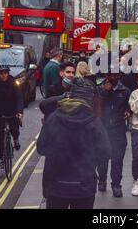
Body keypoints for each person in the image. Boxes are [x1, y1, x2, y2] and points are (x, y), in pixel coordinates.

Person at [36, 78, 111, 209]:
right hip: (84, 187)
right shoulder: (94, 122)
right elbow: (105, 152)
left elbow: (41, 147)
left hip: (56, 186)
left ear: (72, 96)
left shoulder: (54, 118)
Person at [97, 73, 131, 197]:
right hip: (103, 129)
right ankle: (102, 180)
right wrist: (105, 92)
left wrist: (128, 111)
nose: (113, 77)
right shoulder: (100, 89)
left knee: (117, 159)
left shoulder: (125, 90)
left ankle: (116, 185)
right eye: (110, 75)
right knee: (102, 158)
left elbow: (129, 105)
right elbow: (97, 106)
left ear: (120, 76)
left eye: (116, 75)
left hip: (118, 129)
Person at [0, 65, 24, 168]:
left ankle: (15, 139)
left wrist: (19, 112)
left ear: (8, 73)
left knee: (14, 126)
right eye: (1, 73)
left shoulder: (13, 83)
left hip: (12, 109)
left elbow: (19, 98)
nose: (4, 75)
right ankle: (0, 158)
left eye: (5, 73)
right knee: (0, 135)